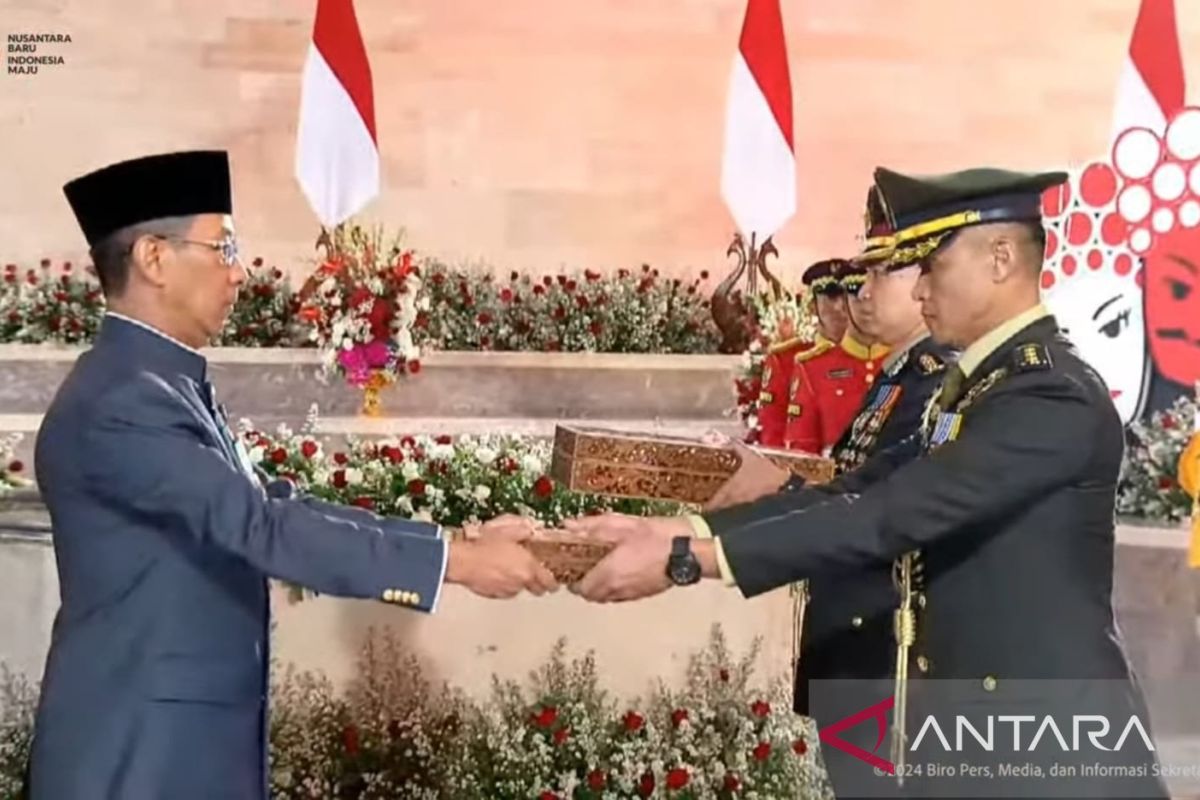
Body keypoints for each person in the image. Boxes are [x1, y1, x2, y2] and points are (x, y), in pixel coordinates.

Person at [570, 166, 1166, 799]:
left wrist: (689, 560)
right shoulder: (983, 387)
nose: (920, 290)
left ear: (1000, 258)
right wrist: (674, 531)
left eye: (931, 267)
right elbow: (855, 490)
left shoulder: (1048, 395)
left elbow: (889, 514)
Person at [27, 150, 557, 800]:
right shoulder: (121, 401)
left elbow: (274, 504)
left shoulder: (166, 384)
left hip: (181, 748)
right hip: (138, 754)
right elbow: (258, 525)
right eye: (223, 248)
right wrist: (458, 562)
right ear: (154, 259)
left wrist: (455, 538)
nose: (239, 272)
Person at [706, 185, 955, 798]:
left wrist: (709, 544)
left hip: (887, 655)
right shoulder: (897, 376)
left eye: (881, 272)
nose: (861, 292)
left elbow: (881, 507)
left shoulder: (938, 383)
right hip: (850, 640)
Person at [782, 260, 889, 454]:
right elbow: (802, 454)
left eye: (876, 294)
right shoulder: (812, 369)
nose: (868, 304)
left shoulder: (907, 360)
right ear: (844, 304)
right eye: (856, 294)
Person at [756, 259, 846, 447]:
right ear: (812, 305)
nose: (840, 307)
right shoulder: (785, 359)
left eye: (846, 296)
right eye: (830, 297)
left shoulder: (874, 356)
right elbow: (773, 431)